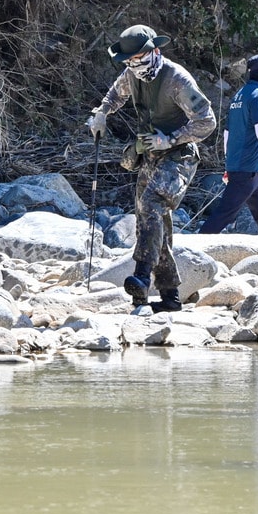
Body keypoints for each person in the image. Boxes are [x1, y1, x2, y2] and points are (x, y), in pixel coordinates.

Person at [86, 24, 216, 312]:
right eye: (130, 61)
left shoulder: (178, 80)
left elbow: (207, 121)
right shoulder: (131, 74)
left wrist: (169, 139)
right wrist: (101, 115)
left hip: (179, 155)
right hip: (148, 155)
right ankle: (169, 297)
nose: (136, 65)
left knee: (152, 204)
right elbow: (113, 96)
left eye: (141, 58)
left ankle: (142, 276)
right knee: (151, 222)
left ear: (156, 51)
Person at [199, 53, 258, 235]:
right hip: (248, 169)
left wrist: (229, 166)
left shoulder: (238, 97)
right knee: (224, 214)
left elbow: (228, 133)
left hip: (246, 169)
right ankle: (192, 250)